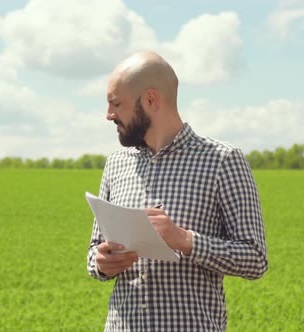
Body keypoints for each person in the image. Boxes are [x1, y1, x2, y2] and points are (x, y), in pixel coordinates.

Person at [86, 51, 268, 331]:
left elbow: (255, 259)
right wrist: (101, 263)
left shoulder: (222, 160)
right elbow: (94, 252)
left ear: (150, 100)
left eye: (116, 104)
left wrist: (185, 240)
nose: (109, 114)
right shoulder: (116, 164)